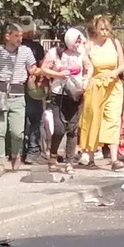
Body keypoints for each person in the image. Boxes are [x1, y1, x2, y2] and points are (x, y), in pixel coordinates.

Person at [0, 23, 37, 176]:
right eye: (16, 36)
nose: (19, 39)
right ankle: (0, 163)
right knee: (0, 131)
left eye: (21, 36)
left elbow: (33, 69)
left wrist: (44, 73)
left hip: (18, 94)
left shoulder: (26, 51)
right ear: (7, 36)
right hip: (0, 93)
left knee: (17, 132)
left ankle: (16, 154)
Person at [78, 16, 124, 170]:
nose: (105, 32)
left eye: (107, 29)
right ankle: (91, 157)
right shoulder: (89, 45)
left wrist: (114, 73)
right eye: (102, 29)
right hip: (96, 85)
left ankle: (114, 159)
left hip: (113, 85)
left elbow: (122, 66)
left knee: (113, 120)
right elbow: (85, 66)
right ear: (96, 29)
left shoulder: (114, 43)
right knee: (94, 120)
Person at [40, 28, 88, 174]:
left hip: (75, 94)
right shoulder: (54, 53)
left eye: (79, 41)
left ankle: (69, 162)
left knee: (72, 130)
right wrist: (58, 74)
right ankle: (53, 156)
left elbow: (89, 67)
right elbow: (43, 69)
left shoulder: (81, 53)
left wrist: (87, 80)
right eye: (76, 41)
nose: (78, 44)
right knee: (60, 128)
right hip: (58, 94)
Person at [19, 15, 47, 164]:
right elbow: (42, 66)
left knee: (20, 120)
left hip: (17, 86)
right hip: (33, 87)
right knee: (35, 119)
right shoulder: (37, 47)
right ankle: (33, 150)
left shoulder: (13, 46)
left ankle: (19, 151)